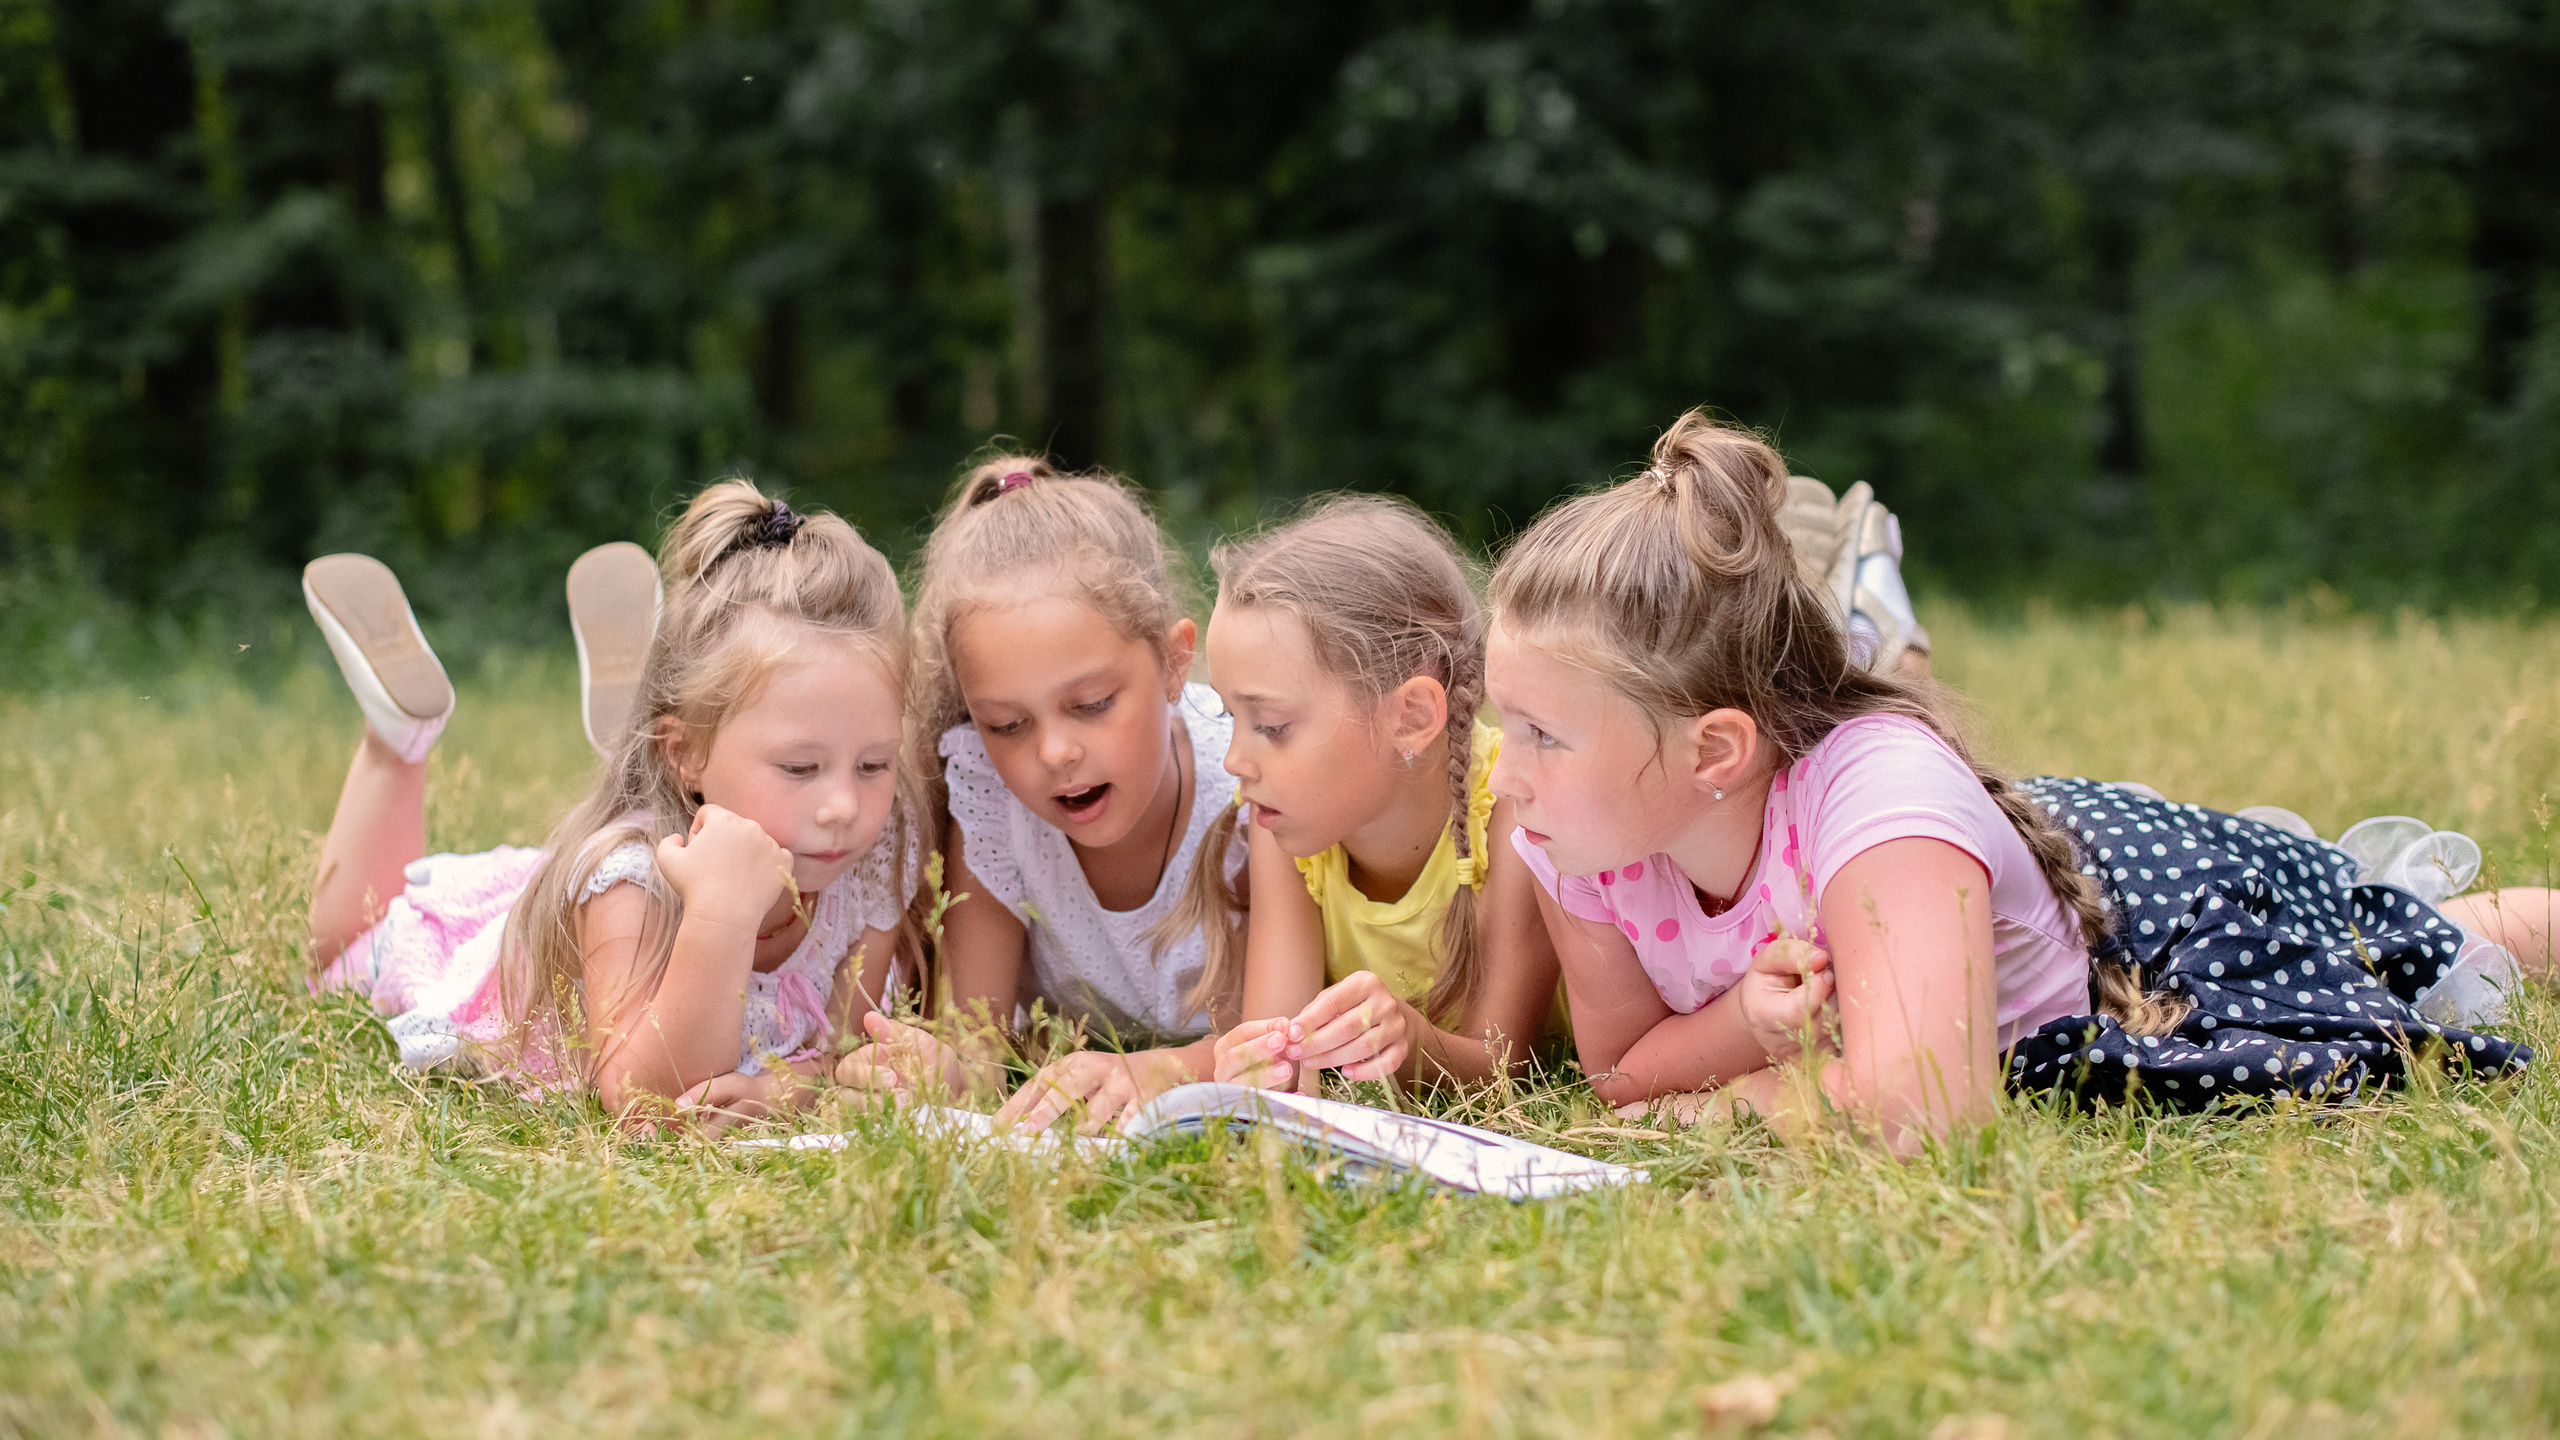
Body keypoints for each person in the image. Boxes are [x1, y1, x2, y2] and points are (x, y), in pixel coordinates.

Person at [1487, 409, 2546, 1154]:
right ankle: (1867, 607)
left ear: (1714, 752)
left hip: (2139, 916)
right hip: (1968, 872)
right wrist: (1746, 1037)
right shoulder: (1578, 842)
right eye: (1507, 725)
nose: (1509, 775)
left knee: (2424, 941)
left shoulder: (1876, 800)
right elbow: (1620, 1072)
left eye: (1541, 734)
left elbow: (1925, 1108)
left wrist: (1715, 1107)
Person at [302, 479, 921, 1132]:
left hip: (653, 812)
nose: (844, 806)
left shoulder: (869, 865)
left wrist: (789, 1093)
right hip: (512, 945)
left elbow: (844, 1055)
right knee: (340, 953)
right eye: (801, 767)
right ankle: (398, 739)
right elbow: (646, 1102)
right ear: (684, 755)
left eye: (875, 764)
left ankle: (641, 728)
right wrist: (721, 913)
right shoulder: (630, 880)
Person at [837, 457, 1246, 1133]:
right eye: (1007, 724)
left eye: (1091, 704)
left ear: (1174, 661)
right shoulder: (991, 799)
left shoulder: (1240, 785)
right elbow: (977, 1047)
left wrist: (1153, 1073)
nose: (1054, 753)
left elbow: (1270, 1040)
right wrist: (932, 1074)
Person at [1180, 496, 1565, 1093]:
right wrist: (1261, 1063)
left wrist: (1409, 1043)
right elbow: (1277, 1045)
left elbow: (1502, 1067)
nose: (1234, 761)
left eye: (1272, 727)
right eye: (1231, 717)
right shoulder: (1283, 824)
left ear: (1410, 716)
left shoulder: (1514, 815)